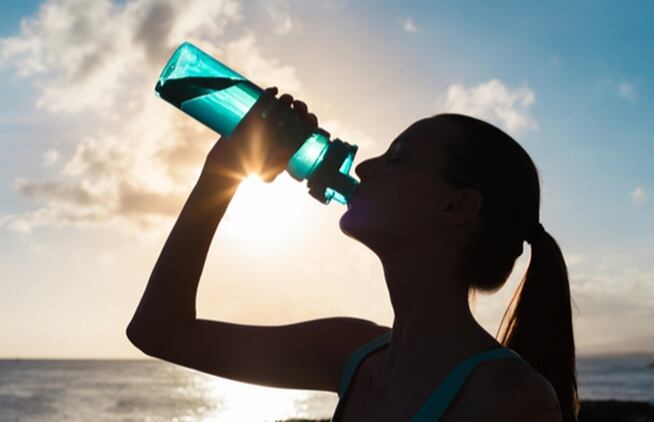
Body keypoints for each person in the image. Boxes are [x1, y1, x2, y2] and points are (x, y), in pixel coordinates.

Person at [126, 87, 578, 421]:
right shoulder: (351, 352)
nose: (364, 166)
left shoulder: (510, 399)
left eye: (397, 158)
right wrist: (222, 173)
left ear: (457, 205)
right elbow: (159, 331)